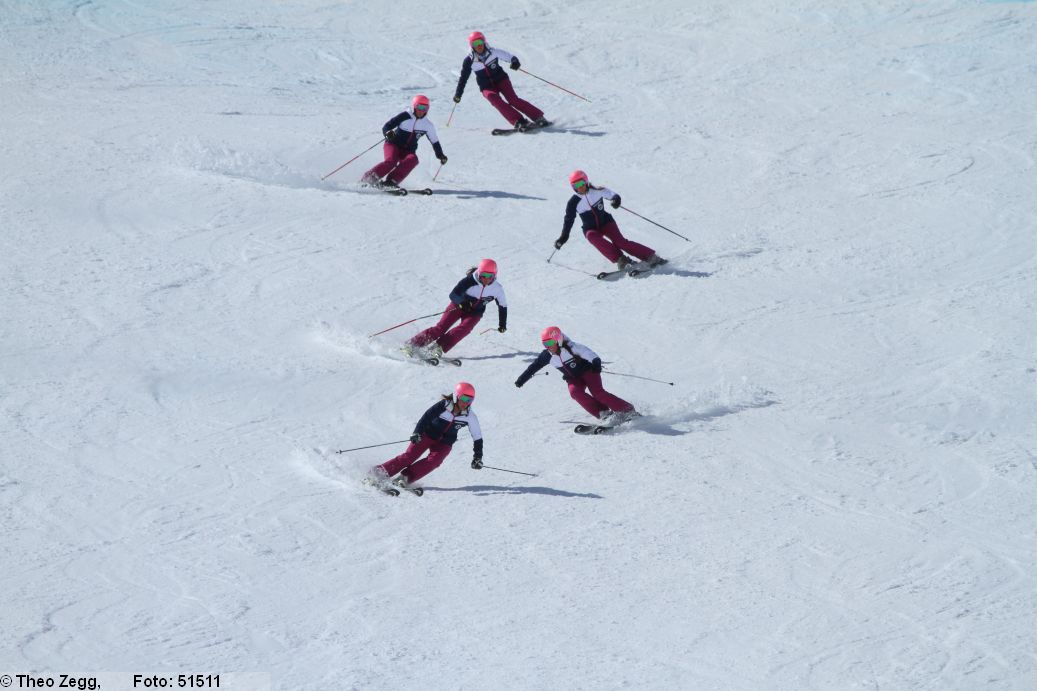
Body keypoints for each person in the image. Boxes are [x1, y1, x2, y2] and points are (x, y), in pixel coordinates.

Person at [369, 382, 484, 488]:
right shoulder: (444, 405)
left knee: (434, 461)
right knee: (409, 456)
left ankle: (406, 477)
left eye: (470, 400)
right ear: (456, 396)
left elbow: (477, 437)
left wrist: (477, 458)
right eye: (464, 398)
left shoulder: (470, 417)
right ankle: (380, 472)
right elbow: (426, 417)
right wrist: (417, 432)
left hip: (445, 443)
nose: (466, 403)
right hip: (428, 434)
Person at [514, 326, 638, 422]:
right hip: (573, 378)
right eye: (545, 344)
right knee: (575, 392)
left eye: (550, 343)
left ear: (558, 340)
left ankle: (627, 410)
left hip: (589, 373)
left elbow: (590, 354)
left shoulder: (573, 347)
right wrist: (521, 380)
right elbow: (533, 367)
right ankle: (603, 413)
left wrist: (596, 363)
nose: (548, 347)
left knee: (598, 393)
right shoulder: (546, 356)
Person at [554, 170, 667, 271]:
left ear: (586, 181)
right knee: (591, 236)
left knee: (621, 242)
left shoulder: (597, 191)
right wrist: (564, 237)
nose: (579, 187)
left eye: (581, 183)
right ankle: (621, 259)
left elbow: (612, 195)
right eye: (575, 185)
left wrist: (616, 200)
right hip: (590, 228)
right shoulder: (573, 202)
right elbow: (568, 220)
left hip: (606, 222)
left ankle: (651, 257)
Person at [404, 259, 508, 358]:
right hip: (459, 306)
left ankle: (438, 347)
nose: (486, 279)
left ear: (495, 275)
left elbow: (503, 306)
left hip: (475, 312)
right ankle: (412, 344)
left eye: (490, 276)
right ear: (479, 273)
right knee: (441, 328)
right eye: (483, 275)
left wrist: (502, 324)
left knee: (464, 329)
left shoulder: (497, 289)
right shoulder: (469, 280)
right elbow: (454, 294)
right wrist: (461, 302)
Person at [453, 31, 548, 132]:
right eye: (475, 43)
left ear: (484, 42)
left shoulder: (493, 52)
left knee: (513, 100)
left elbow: (510, 57)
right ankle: (519, 121)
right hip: (486, 86)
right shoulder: (469, 61)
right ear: (472, 46)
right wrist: (458, 93)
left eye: (480, 42)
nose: (479, 45)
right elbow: (463, 78)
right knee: (495, 100)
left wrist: (515, 62)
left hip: (501, 80)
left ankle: (538, 117)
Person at [361, 95, 447, 188]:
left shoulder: (427, 125)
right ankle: (369, 178)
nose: (422, 111)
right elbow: (387, 126)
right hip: (393, 144)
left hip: (408, 150)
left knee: (413, 159)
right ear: (414, 106)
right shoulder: (405, 116)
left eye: (425, 108)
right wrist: (388, 133)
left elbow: (435, 141)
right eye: (419, 107)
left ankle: (391, 181)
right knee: (391, 162)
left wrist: (440, 155)